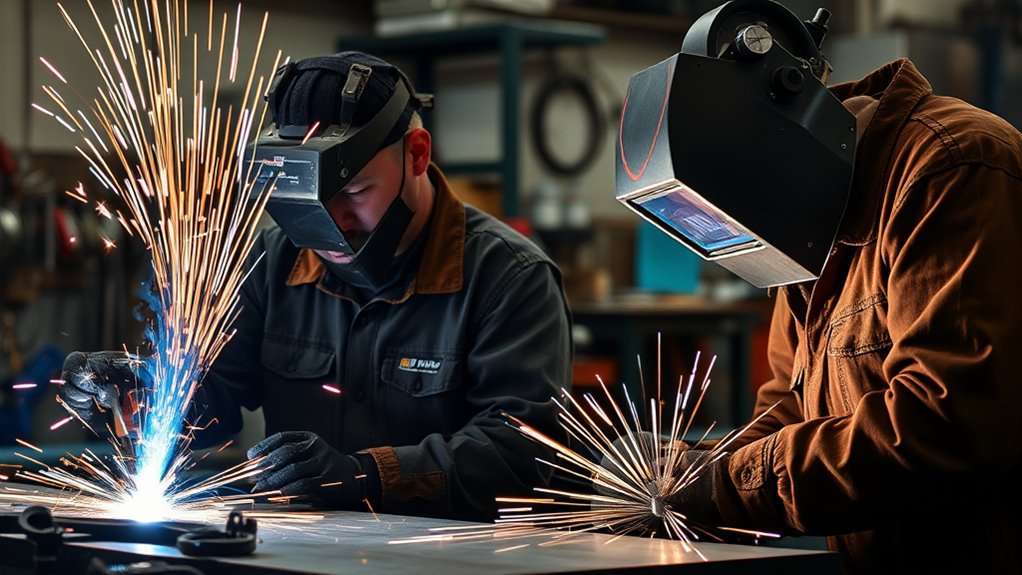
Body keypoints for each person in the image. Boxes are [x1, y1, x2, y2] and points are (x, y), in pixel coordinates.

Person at [59, 51, 572, 521]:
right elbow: (211, 402)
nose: (333, 225)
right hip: (304, 550)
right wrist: (138, 395)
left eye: (354, 191)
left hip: (458, 556)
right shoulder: (271, 261)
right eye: (307, 202)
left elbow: (521, 454)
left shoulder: (510, 277)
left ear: (416, 154)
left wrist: (365, 475)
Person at [614, 1, 1022, 573]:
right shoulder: (807, 214)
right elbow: (790, 406)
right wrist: (689, 475)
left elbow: (944, 426)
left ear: (782, 116)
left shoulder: (953, 168)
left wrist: (727, 487)